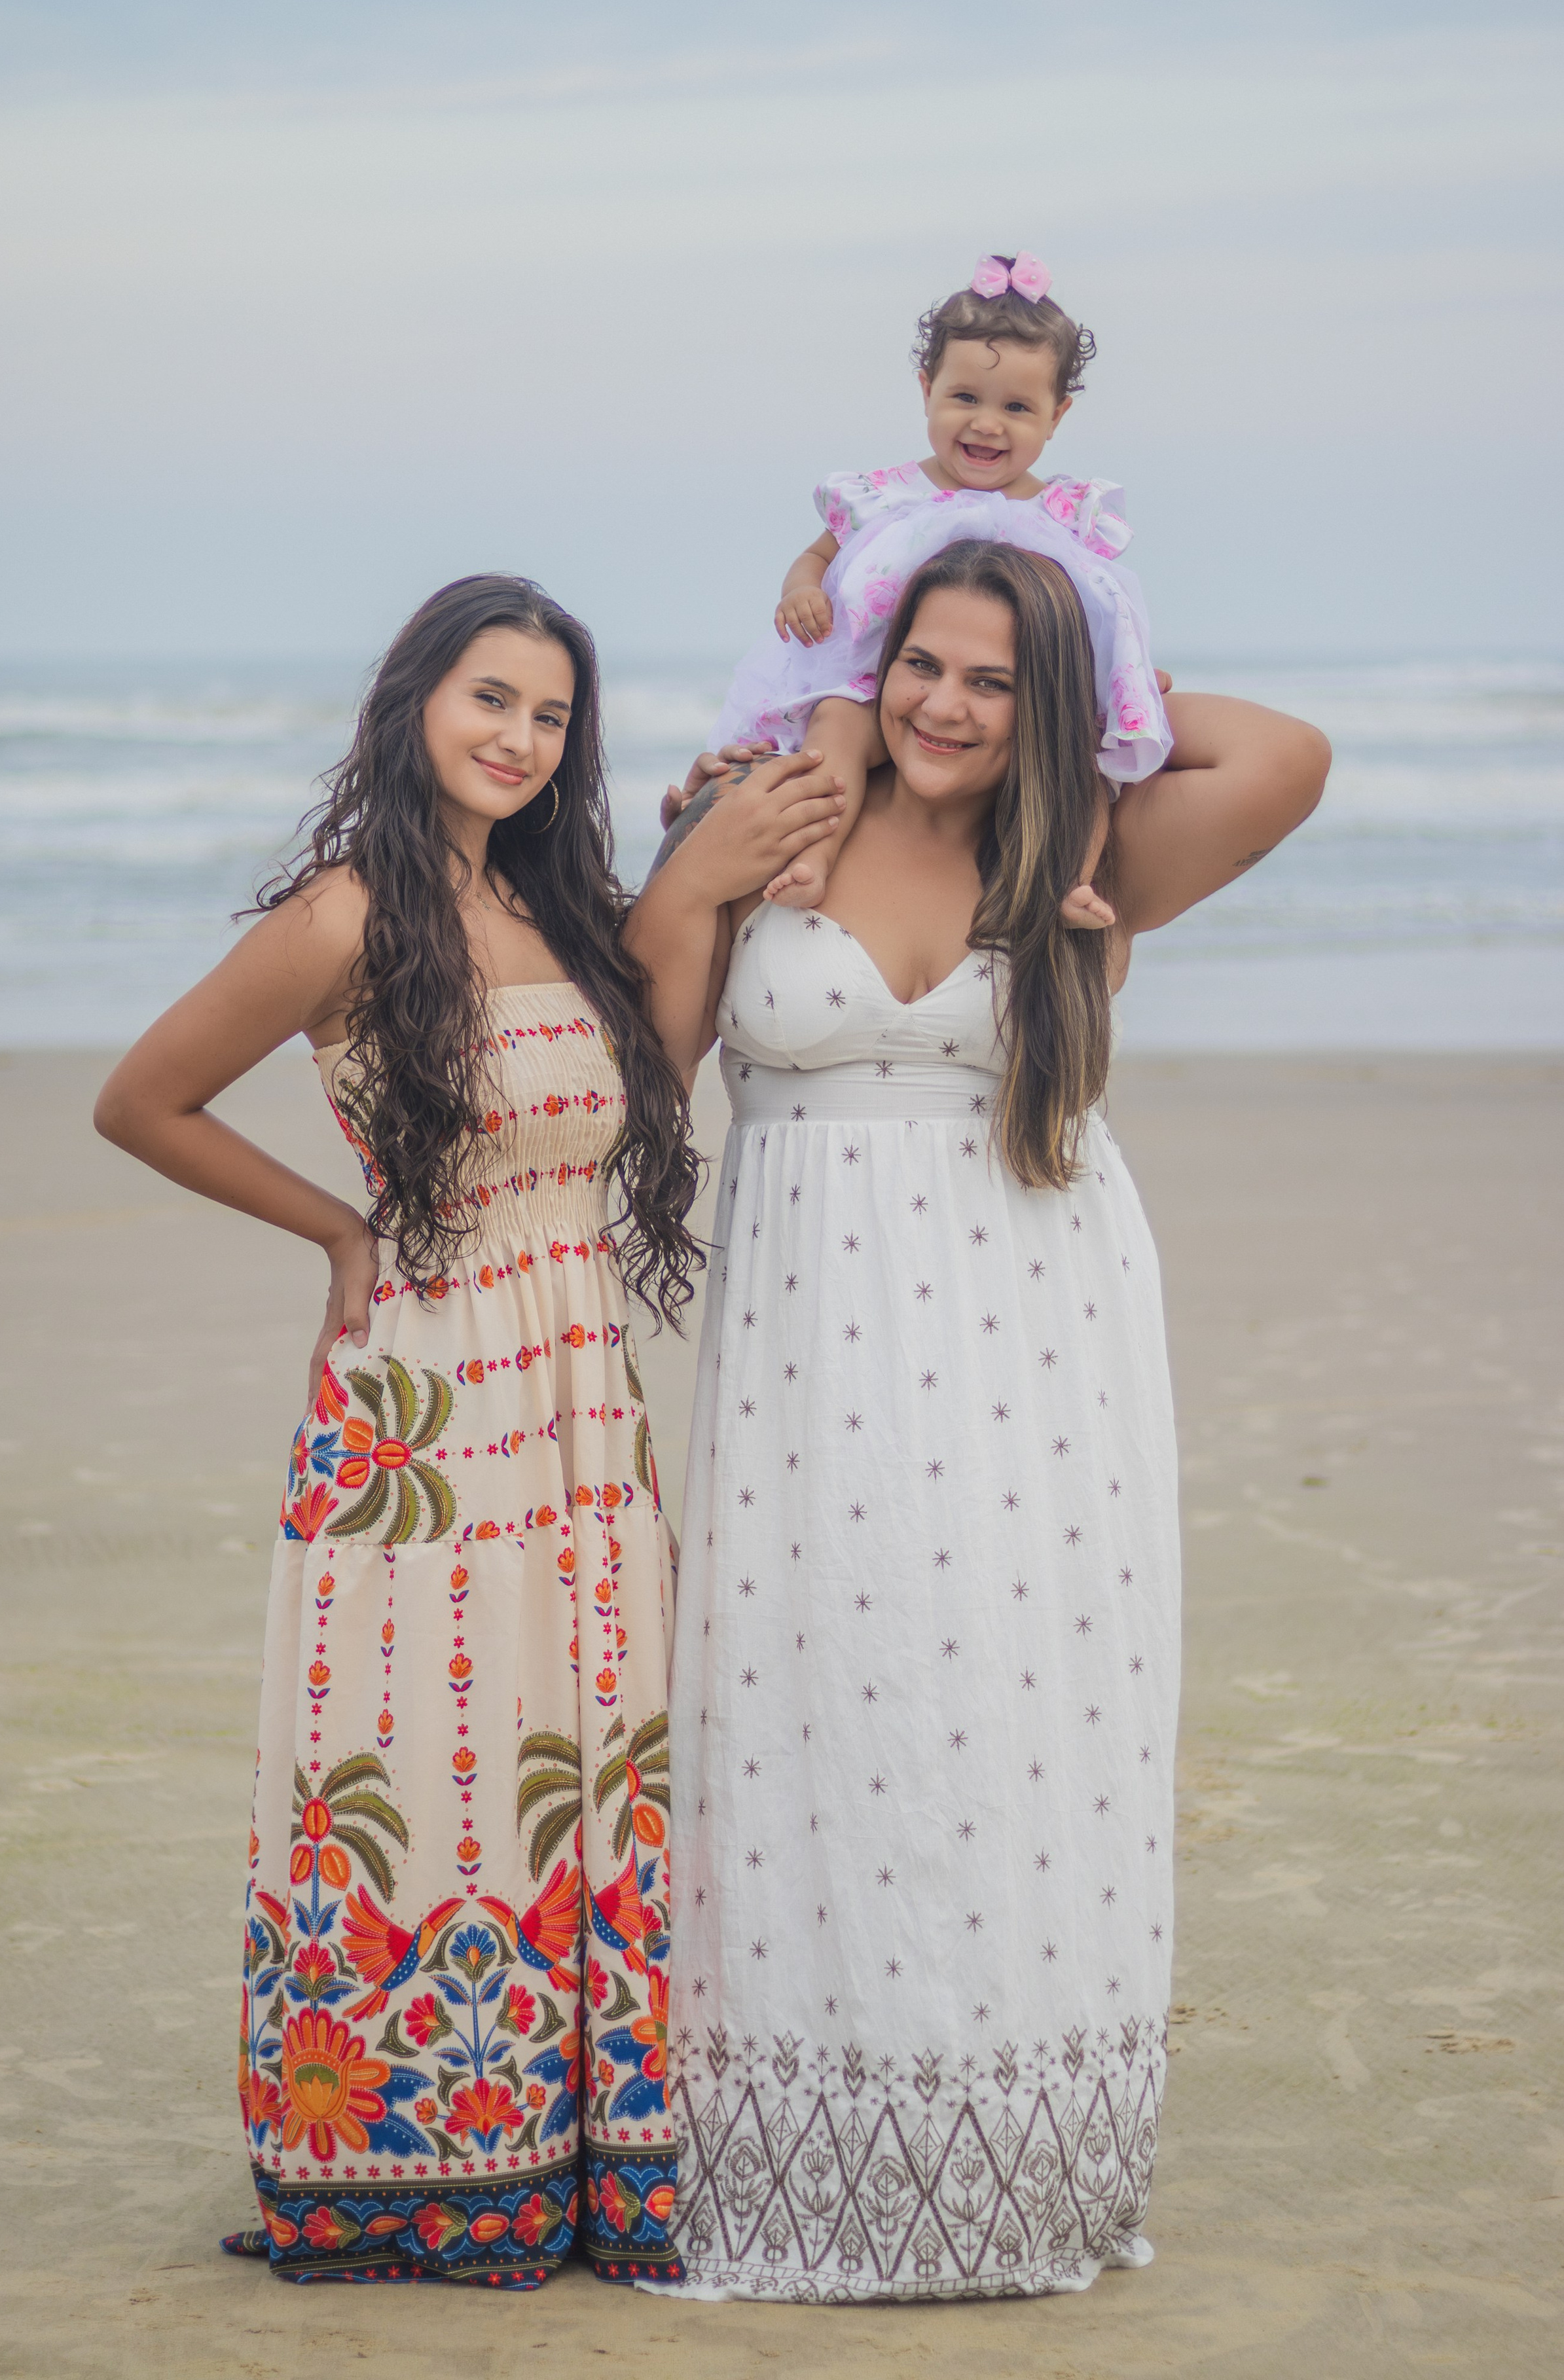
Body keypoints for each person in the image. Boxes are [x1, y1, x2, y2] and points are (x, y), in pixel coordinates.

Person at [626, 539, 1330, 2304]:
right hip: (813, 1343)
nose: (948, 702)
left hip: (1039, 1340)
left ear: (1055, 705)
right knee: (810, 1709)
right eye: (922, 661)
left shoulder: (1082, 847)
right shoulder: (777, 814)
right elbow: (654, 1073)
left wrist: (1096, 699)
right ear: (879, 657)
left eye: (994, 678)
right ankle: (800, 2155)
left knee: (1015, 1723)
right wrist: (756, 805)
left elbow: (1286, 755)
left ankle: (1012, 2166)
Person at [94, 575, 710, 2289]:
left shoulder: (570, 908)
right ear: (416, 697)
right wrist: (343, 1230)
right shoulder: (347, 915)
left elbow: (646, 1094)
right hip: (427, 1405)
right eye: (489, 696)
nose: (517, 736)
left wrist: (708, 886)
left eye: (550, 713)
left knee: (589, 1757)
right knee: (436, 1759)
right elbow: (142, 1097)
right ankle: (414, 2167)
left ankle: (586, 2155)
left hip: (582, 1401)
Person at [660, 251, 1169, 916]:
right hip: (874, 685)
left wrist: (1123, 675)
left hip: (1008, 698)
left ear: (1057, 416)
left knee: (1081, 755)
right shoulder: (885, 496)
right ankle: (809, 854)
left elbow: (1099, 605)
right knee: (832, 733)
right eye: (964, 397)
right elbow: (816, 555)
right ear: (926, 388)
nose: (986, 423)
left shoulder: (1062, 512)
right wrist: (801, 590)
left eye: (1016, 406)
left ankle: (1075, 879)